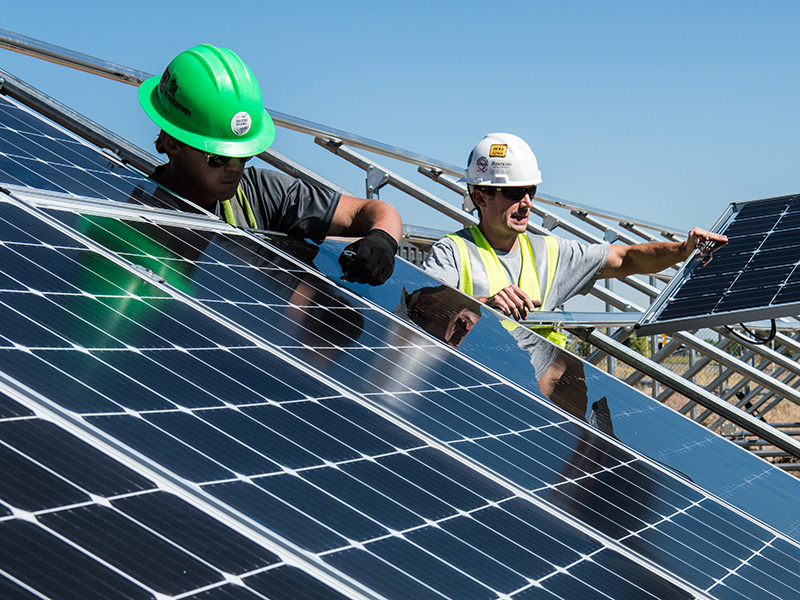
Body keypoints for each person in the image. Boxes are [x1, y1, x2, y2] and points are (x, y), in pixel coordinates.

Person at [423, 132, 728, 346]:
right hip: (475, 396)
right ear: (480, 197)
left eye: (532, 192)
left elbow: (627, 258)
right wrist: (483, 305)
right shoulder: (453, 253)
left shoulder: (550, 253)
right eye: (516, 193)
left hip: (537, 397)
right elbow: (425, 313)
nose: (527, 203)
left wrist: (683, 249)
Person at [137, 44, 402, 286]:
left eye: (244, 156)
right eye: (218, 157)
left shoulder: (262, 191)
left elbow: (372, 211)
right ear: (171, 143)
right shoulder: (132, 219)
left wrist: (383, 240)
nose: (235, 168)